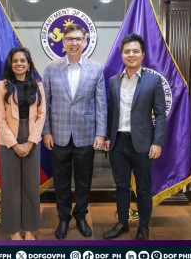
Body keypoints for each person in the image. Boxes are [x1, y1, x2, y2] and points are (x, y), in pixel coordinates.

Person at [42, 24, 107, 239]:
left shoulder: (96, 68)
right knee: (60, 181)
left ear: (85, 42)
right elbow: (46, 103)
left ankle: (80, 216)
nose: (74, 43)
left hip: (86, 135)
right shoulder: (51, 68)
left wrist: (100, 134)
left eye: (78, 39)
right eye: (69, 39)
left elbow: (101, 103)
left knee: (83, 180)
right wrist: (46, 131)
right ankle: (63, 218)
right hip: (58, 135)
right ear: (63, 42)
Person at [103, 33, 166, 240]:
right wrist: (107, 136)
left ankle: (144, 228)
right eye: (127, 51)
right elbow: (110, 111)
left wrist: (157, 142)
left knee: (144, 189)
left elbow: (160, 114)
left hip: (142, 145)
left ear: (142, 54)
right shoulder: (113, 81)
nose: (131, 55)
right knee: (121, 186)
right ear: (121, 55)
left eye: (135, 51)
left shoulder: (153, 80)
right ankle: (122, 222)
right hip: (118, 143)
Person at [0, 46, 46, 240]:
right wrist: (14, 144)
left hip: (32, 138)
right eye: (15, 61)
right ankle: (14, 231)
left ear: (29, 64)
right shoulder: (2, 86)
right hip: (9, 141)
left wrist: (31, 142)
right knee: (11, 187)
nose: (19, 64)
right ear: (11, 64)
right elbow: (0, 119)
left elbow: (42, 116)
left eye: (23, 61)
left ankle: (30, 230)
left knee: (31, 186)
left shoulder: (38, 85)